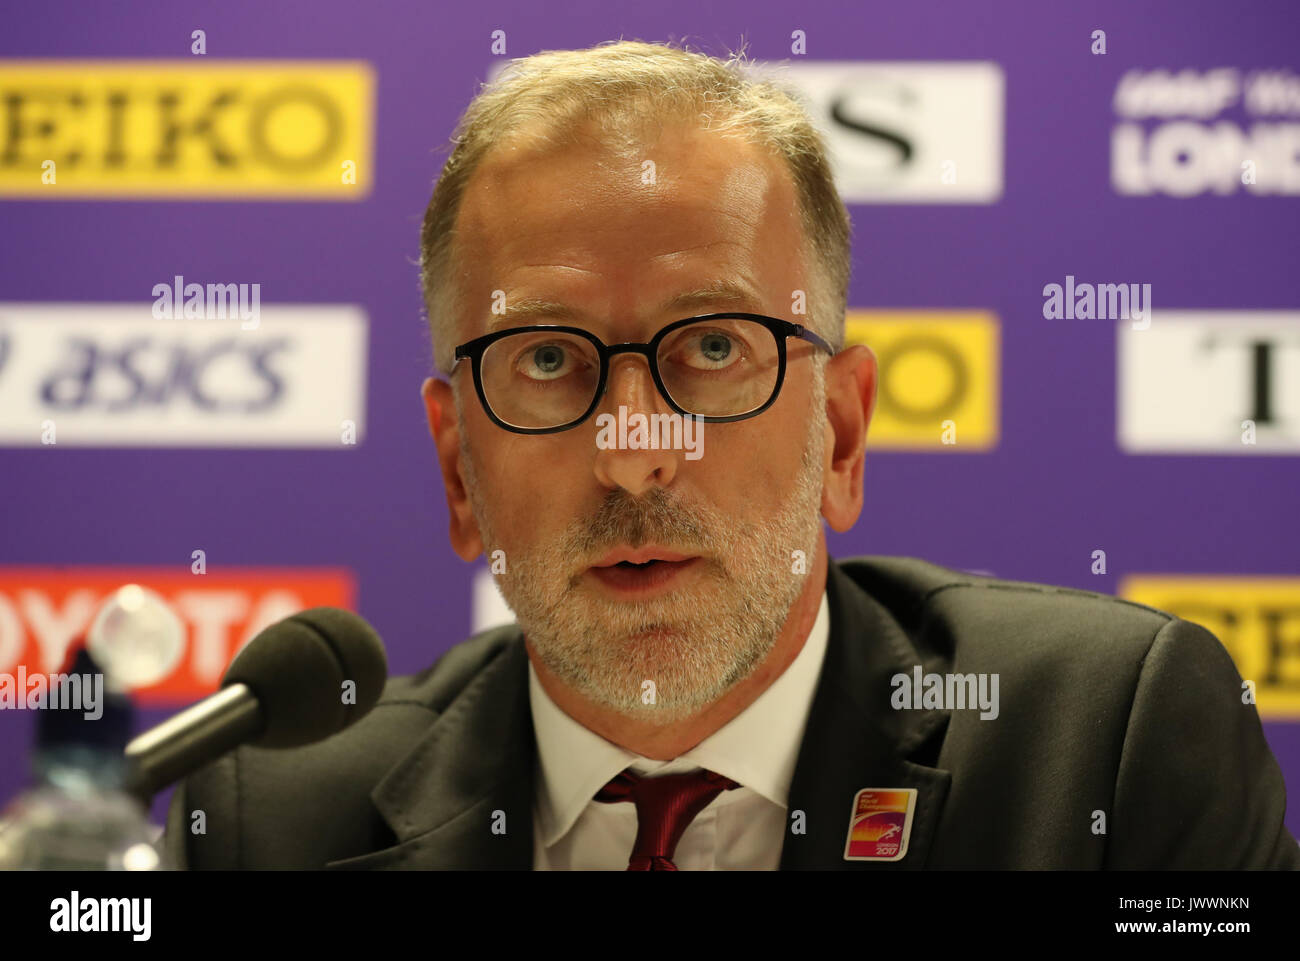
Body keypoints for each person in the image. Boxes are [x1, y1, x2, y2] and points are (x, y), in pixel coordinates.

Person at [165, 40, 1299, 870]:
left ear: (840, 435)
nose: (631, 456)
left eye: (711, 346)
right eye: (547, 361)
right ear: (459, 468)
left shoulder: (1105, 745)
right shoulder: (271, 817)